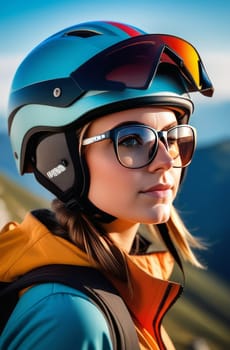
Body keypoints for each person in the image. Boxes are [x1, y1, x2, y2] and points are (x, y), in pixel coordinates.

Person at [0, 20, 214, 349]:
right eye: (131, 139)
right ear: (59, 158)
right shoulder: (69, 319)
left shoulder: (120, 286)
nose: (165, 160)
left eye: (172, 137)